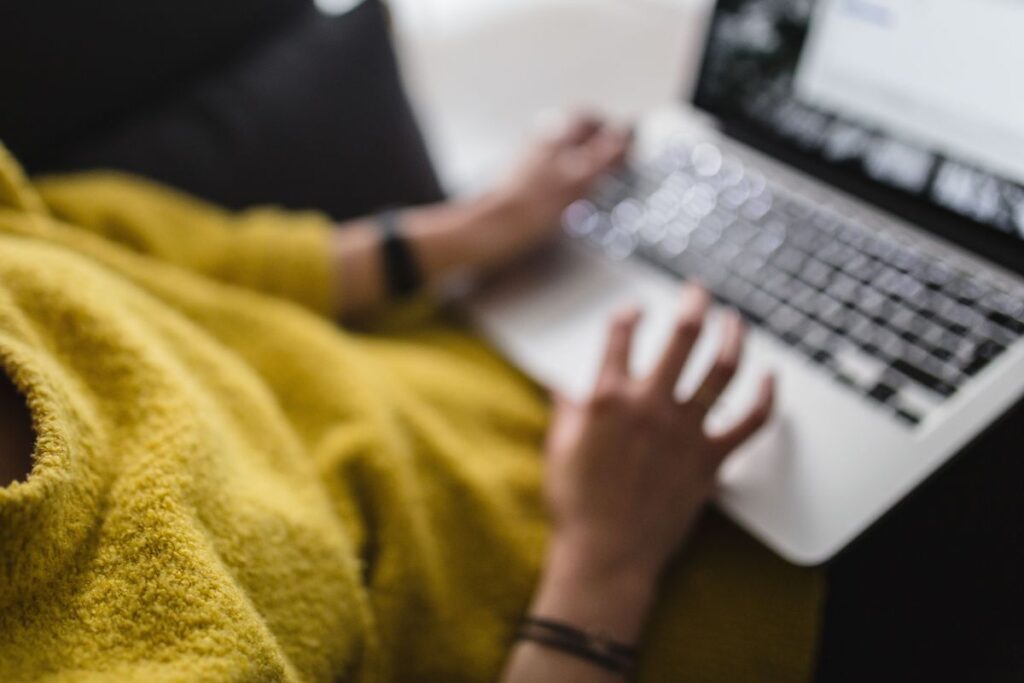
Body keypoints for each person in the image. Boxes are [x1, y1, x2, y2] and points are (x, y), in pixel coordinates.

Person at [0, 115, 821, 681]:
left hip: (498, 354)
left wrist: (481, 225)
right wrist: (608, 562)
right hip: (685, 598)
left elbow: (178, 255)